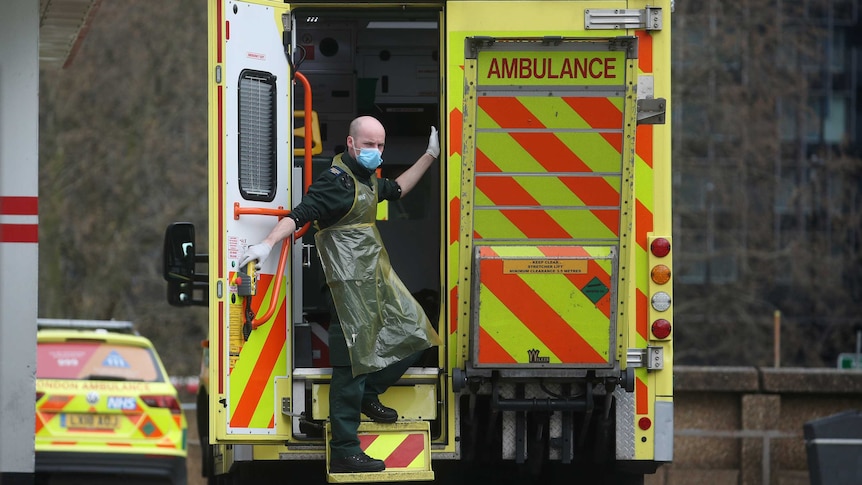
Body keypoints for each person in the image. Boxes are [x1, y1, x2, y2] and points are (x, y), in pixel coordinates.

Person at [239, 116, 442, 473]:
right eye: (368, 145)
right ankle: (346, 450)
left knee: (418, 333)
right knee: (351, 366)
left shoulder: (366, 179)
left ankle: (369, 394)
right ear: (351, 144)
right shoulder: (335, 183)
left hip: (374, 278)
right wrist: (267, 244)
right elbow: (300, 214)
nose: (375, 152)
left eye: (380, 146)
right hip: (346, 286)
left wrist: (429, 155)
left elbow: (397, 189)